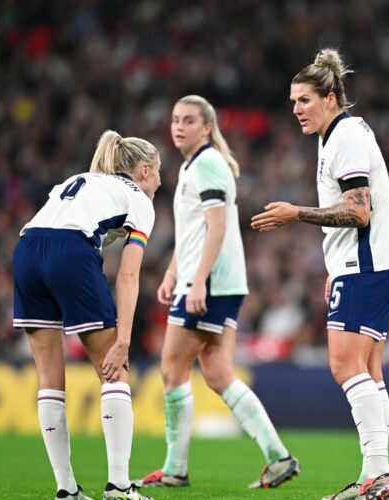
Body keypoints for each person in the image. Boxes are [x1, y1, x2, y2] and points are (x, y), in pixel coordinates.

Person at [251, 48, 389, 500]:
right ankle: (376, 474)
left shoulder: (346, 138)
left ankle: (377, 475)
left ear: (332, 98)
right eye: (293, 101)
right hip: (362, 265)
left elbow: (359, 213)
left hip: (367, 265)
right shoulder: (334, 136)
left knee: (344, 366)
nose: (296, 109)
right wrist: (335, 263)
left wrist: (295, 213)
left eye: (304, 100)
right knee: (368, 370)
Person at [135, 95, 299, 490]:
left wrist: (196, 281)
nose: (179, 126)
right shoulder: (197, 165)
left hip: (210, 282)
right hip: (216, 281)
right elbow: (193, 231)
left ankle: (175, 468)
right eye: (175, 119)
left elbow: (218, 227)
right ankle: (278, 457)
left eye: (189, 120)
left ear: (207, 127)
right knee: (218, 372)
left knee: (173, 369)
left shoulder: (207, 164)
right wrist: (174, 271)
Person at [13, 130, 161, 500]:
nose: (160, 180)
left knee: (49, 378)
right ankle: (119, 485)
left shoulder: (78, 180)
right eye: (159, 171)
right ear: (143, 170)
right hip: (69, 252)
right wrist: (124, 340)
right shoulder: (139, 198)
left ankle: (66, 490)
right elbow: (128, 275)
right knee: (114, 372)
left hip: (26, 249)